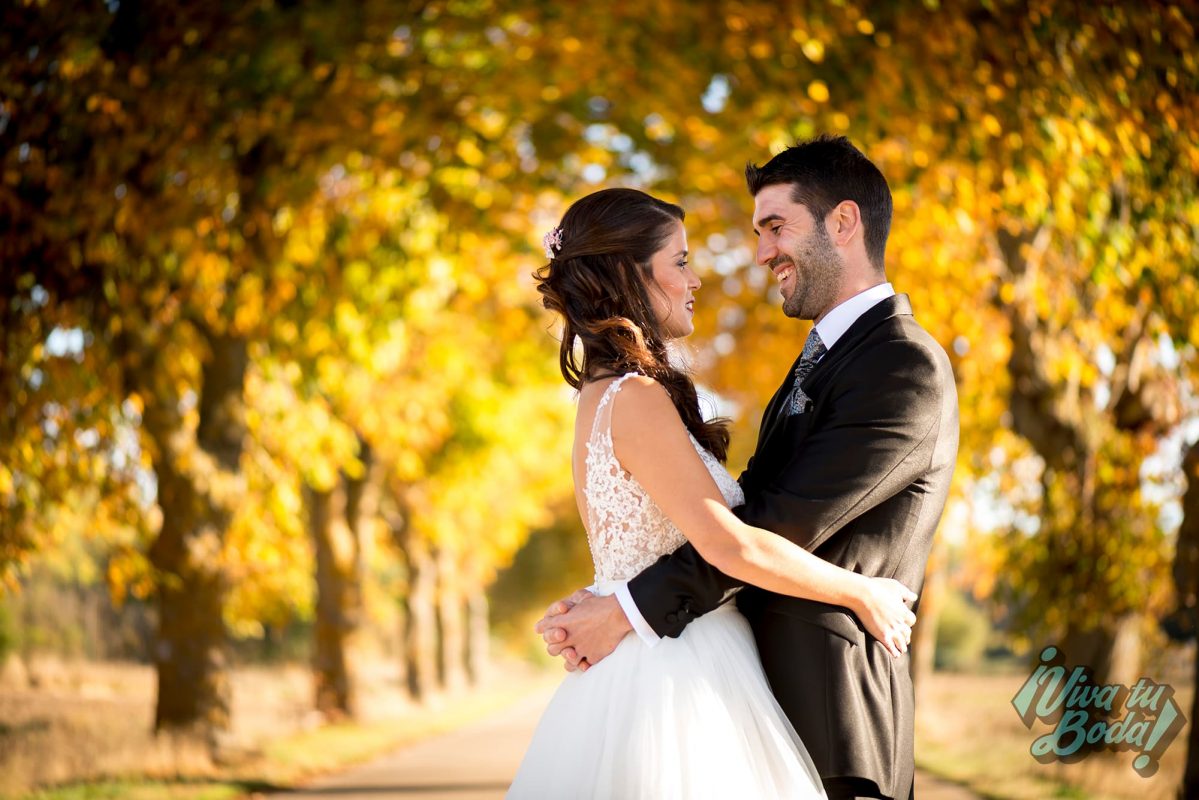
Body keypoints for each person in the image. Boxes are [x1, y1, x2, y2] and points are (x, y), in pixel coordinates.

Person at [536, 136, 960, 800]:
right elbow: (737, 530)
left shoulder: (899, 365)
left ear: (842, 222)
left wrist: (624, 609)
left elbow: (774, 524)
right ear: (629, 276)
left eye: (773, 227)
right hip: (717, 692)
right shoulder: (800, 364)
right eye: (680, 260)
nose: (759, 254)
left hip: (833, 714)